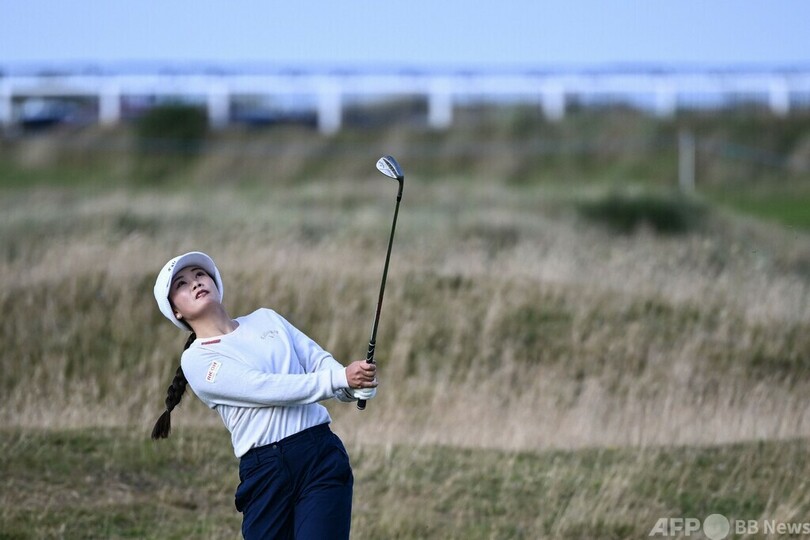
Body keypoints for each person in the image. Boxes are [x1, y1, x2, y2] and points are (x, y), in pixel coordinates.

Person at [150, 251, 377, 540]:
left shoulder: (266, 319)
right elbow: (263, 388)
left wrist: (353, 385)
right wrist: (339, 379)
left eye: (199, 274)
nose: (194, 283)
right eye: (181, 284)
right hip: (265, 474)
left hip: (319, 454)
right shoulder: (197, 360)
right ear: (176, 311)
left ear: (214, 282)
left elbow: (319, 362)